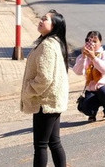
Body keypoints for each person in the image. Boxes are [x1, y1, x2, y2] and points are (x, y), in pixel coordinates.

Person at [21, 10, 70, 167]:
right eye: (41, 18)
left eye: (45, 19)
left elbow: (45, 78)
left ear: (54, 25)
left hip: (44, 101)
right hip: (51, 100)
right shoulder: (52, 42)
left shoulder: (48, 46)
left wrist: (29, 89)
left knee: (41, 145)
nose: (41, 21)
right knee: (54, 142)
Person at [71, 30, 105, 121]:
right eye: (89, 41)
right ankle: (92, 113)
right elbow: (78, 71)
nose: (92, 44)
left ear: (100, 43)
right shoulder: (84, 57)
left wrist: (94, 57)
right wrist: (84, 57)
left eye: (95, 41)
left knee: (103, 90)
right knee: (86, 108)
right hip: (93, 90)